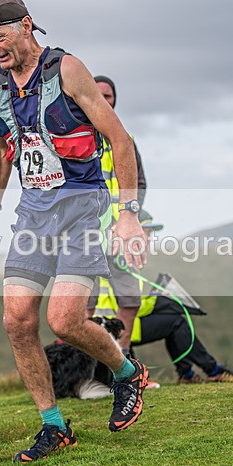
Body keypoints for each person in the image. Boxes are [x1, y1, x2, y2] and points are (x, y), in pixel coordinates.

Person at [0, 0, 149, 463]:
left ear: (26, 25)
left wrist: (128, 214)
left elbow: (120, 138)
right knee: (16, 321)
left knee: (64, 321)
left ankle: (127, 373)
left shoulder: (67, 70)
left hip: (82, 208)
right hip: (33, 213)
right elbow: (0, 148)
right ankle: (54, 426)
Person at [85, 75, 148, 354]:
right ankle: (87, 368)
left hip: (120, 236)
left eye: (108, 96)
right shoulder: (74, 137)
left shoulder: (126, 140)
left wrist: (129, 218)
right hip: (85, 235)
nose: (103, 100)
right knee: (84, 303)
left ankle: (122, 364)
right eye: (97, 95)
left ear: (115, 100)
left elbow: (140, 183)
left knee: (131, 299)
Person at [94, 277, 233, 383]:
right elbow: (128, 308)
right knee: (176, 322)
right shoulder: (120, 265)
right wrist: (158, 298)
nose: (147, 238)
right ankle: (210, 371)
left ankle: (190, 374)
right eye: (147, 232)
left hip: (111, 329)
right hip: (119, 331)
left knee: (174, 321)